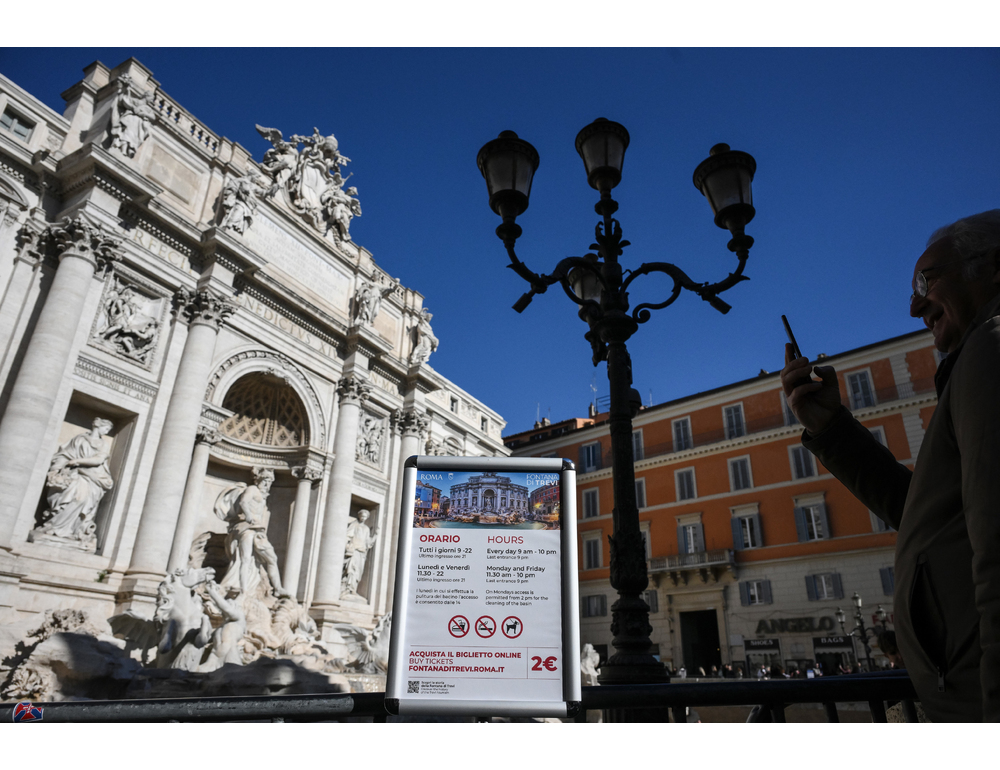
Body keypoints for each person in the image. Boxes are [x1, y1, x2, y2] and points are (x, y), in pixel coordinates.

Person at [781, 210, 1000, 722]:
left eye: (927, 280)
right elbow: (921, 513)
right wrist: (833, 430)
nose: (914, 304)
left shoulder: (990, 347)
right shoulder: (975, 359)